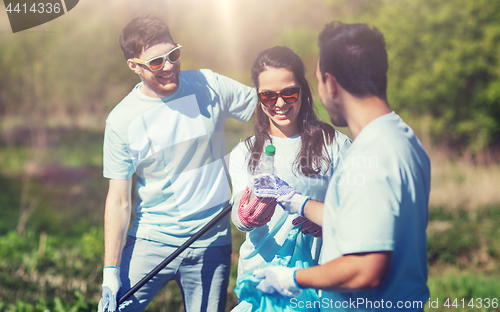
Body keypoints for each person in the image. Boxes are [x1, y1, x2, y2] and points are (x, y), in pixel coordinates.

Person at [253, 22, 431, 311]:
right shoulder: (402, 138)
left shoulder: (368, 157)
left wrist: (293, 278)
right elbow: (373, 218)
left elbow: (366, 270)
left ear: (331, 83)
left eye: (318, 82)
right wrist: (297, 202)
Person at [98, 15, 258, 312]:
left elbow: (270, 110)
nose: (169, 66)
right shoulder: (121, 120)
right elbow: (119, 200)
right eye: (156, 62)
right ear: (134, 65)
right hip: (150, 239)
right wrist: (111, 272)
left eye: (173, 54)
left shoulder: (210, 84)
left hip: (211, 241)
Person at [228, 46, 351, 311]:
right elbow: (239, 220)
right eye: (268, 96)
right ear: (258, 97)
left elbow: (359, 214)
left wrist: (328, 223)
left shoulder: (336, 145)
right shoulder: (244, 152)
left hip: (318, 287)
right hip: (260, 283)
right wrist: (247, 214)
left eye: (289, 93)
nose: (280, 103)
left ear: (303, 91)